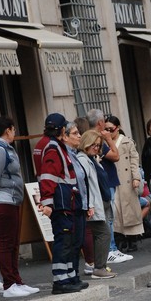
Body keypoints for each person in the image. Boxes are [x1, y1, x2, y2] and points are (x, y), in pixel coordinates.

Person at [0, 116, 40, 298]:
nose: (14, 133)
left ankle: (16, 281)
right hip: (3, 200)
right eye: (13, 129)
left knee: (12, 243)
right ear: (8, 130)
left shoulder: (5, 148)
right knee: (7, 243)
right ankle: (9, 284)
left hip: (11, 200)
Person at [39, 113, 86, 294]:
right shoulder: (53, 148)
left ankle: (68, 278)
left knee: (68, 241)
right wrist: (48, 203)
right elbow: (48, 178)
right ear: (62, 130)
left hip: (67, 202)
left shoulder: (57, 147)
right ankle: (60, 281)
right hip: (61, 204)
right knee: (63, 241)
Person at [86, 109, 130, 263]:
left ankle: (112, 249)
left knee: (109, 217)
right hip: (104, 182)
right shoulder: (96, 138)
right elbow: (116, 156)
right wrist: (109, 139)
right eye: (104, 120)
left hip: (107, 180)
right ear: (100, 122)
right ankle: (110, 250)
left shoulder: (96, 136)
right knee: (107, 218)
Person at [77, 130, 117, 279]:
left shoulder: (92, 159)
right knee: (104, 233)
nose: (96, 147)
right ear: (86, 143)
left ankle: (99, 266)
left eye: (98, 145)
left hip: (100, 203)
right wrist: (89, 205)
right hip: (93, 205)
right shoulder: (83, 159)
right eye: (93, 144)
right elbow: (85, 184)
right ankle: (98, 267)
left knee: (100, 234)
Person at [105, 115, 144, 253]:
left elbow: (134, 160)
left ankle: (132, 239)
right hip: (113, 179)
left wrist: (136, 178)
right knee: (115, 211)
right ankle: (120, 238)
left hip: (127, 180)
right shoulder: (104, 143)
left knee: (129, 210)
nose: (109, 132)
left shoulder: (128, 142)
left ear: (118, 127)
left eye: (111, 129)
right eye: (106, 129)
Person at [63, 122, 90, 288]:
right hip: (71, 205)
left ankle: (75, 275)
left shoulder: (74, 153)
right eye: (75, 133)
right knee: (72, 243)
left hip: (80, 204)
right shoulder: (64, 154)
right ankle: (70, 277)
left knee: (78, 241)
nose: (79, 136)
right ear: (65, 137)